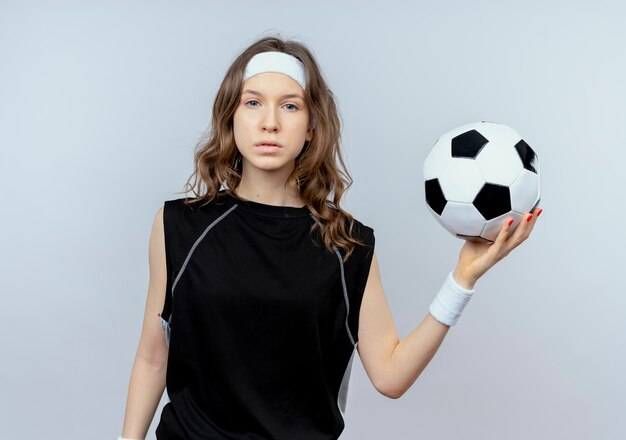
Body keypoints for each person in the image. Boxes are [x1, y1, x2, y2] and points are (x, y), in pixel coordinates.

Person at [118, 36, 541, 440]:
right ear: (231, 116)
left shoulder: (347, 245)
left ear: (311, 128)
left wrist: (462, 279)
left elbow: (390, 377)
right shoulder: (178, 226)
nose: (270, 122)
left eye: (289, 105)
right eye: (252, 103)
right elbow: (154, 357)